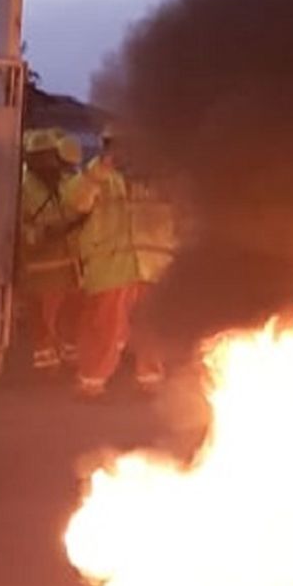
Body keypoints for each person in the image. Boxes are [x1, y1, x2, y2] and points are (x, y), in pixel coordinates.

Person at [66, 127, 178, 398]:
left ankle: (150, 378)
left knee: (152, 327)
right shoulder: (97, 178)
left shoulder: (160, 180)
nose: (124, 153)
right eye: (116, 146)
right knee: (105, 328)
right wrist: (99, 170)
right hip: (112, 269)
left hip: (154, 267)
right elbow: (75, 200)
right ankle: (91, 381)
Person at [17, 128, 85, 372]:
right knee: (42, 316)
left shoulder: (64, 183)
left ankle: (67, 351)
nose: (48, 162)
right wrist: (44, 233)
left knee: (71, 312)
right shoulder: (23, 188)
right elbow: (18, 228)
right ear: (32, 159)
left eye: (50, 156)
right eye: (42, 156)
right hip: (40, 266)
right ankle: (45, 357)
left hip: (69, 264)